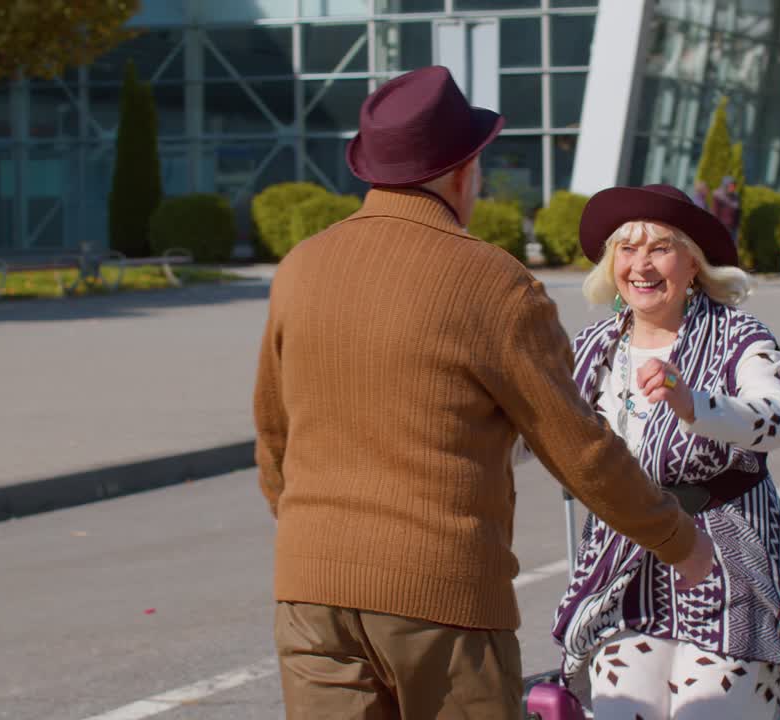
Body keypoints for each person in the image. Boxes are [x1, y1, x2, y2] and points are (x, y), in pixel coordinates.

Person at [253, 66, 716, 720]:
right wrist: (677, 539)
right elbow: (578, 449)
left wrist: (325, 540)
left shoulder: (299, 268)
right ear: (462, 172)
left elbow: (274, 439)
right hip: (441, 597)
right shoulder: (492, 283)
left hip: (309, 591)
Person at [549, 183, 780, 718]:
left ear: (694, 262)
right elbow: (544, 432)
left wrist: (695, 404)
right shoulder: (594, 347)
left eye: (660, 248)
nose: (641, 265)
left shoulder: (739, 335)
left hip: (725, 558)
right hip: (623, 559)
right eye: (627, 248)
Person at [712, 175, 741, 246]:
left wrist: (736, 228)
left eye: (734, 186)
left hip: (732, 230)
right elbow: (715, 214)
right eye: (731, 186)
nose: (733, 188)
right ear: (725, 186)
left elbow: (737, 215)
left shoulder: (736, 198)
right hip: (721, 228)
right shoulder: (718, 196)